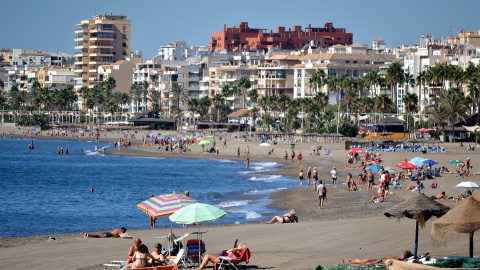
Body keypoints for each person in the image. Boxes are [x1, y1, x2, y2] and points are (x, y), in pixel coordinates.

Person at [342, 250, 413, 266]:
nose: (402, 253)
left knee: (364, 262)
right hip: (380, 259)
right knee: (365, 260)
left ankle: (350, 262)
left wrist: (380, 264)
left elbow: (388, 263)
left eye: (404, 253)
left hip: (380, 262)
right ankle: (353, 261)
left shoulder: (398, 260)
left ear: (404, 256)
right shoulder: (398, 258)